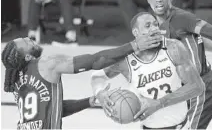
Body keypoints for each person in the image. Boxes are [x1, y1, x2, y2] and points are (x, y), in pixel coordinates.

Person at [1, 33, 162, 129]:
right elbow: (96, 61)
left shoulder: (16, 81)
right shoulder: (47, 64)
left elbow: (54, 109)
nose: (29, 38)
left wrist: (89, 101)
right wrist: (134, 46)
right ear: (28, 56)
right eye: (26, 42)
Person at [91, 12, 205, 129]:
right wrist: (100, 93)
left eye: (156, 25)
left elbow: (197, 86)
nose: (154, 28)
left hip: (181, 126)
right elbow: (97, 77)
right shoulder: (126, 59)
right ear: (136, 32)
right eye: (148, 26)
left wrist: (160, 103)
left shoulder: (173, 47)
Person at [145, 0, 212, 129]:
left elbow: (208, 32)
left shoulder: (183, 18)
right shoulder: (152, 24)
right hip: (182, 91)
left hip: (201, 86)